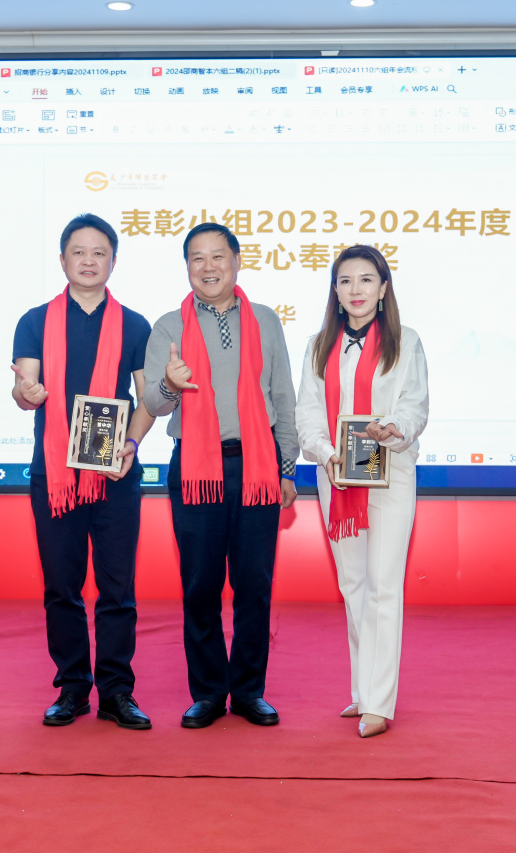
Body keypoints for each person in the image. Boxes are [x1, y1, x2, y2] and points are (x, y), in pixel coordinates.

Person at [143, 222, 299, 729]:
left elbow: (282, 397)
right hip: (195, 469)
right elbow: (153, 404)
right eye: (197, 258)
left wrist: (287, 466)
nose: (208, 267)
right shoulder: (169, 326)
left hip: (258, 466)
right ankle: (209, 692)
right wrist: (170, 384)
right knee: (201, 586)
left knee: (255, 585)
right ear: (186, 266)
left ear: (236, 261)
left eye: (217, 256)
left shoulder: (265, 320)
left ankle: (250, 691)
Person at [11, 213, 155, 730]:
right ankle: (73, 687)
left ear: (113, 260)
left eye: (99, 252)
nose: (88, 261)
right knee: (62, 587)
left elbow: (148, 398)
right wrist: (27, 393)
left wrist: (131, 444)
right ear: (62, 259)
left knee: (118, 589)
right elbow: (24, 389)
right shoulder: (34, 321)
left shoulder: (135, 325)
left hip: (114, 474)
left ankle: (117, 691)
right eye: (79, 251)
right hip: (53, 476)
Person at [294, 244, 428, 738]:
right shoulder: (318, 345)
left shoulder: (406, 341)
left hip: (389, 471)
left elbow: (416, 405)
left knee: (383, 585)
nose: (356, 289)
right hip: (337, 476)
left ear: (383, 288)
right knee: (353, 586)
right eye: (346, 280)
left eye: (367, 279)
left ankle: (379, 703)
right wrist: (325, 452)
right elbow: (308, 412)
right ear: (335, 289)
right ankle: (361, 690)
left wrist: (394, 428)